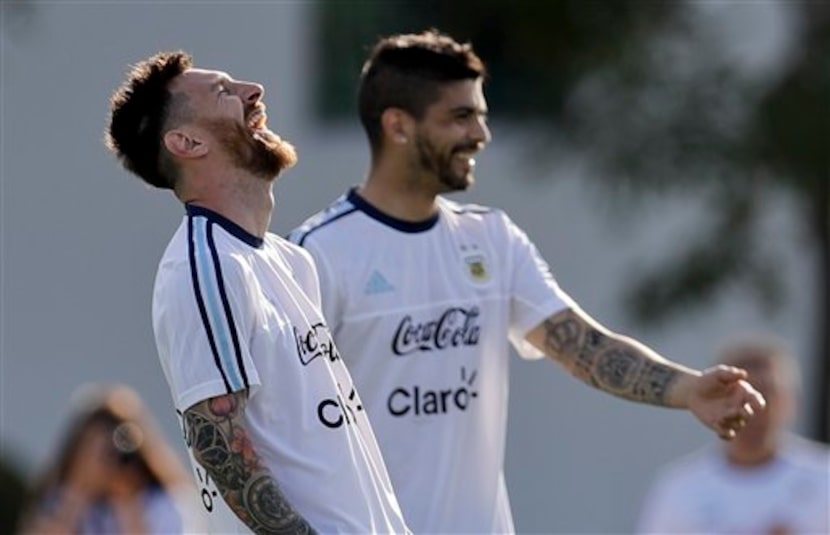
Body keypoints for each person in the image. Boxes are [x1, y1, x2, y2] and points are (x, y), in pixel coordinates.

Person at [288, 29, 767, 534]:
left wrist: (687, 388)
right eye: (460, 116)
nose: (480, 134)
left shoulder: (491, 238)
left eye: (482, 115)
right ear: (398, 126)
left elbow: (579, 343)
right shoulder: (318, 252)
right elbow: (286, 420)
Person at [105, 51, 409, 534]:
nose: (253, 90)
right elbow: (218, 444)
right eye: (224, 92)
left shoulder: (287, 261)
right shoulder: (204, 265)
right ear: (187, 141)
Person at [637, 336, 829, 534]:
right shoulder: (678, 488)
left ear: (791, 401)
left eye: (767, 393)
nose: (754, 406)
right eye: (739, 395)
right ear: (714, 401)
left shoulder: (826, 477)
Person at [17, 383, 199, 534]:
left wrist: (128, 500)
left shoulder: (166, 503)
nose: (105, 463)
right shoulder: (61, 502)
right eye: (92, 451)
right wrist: (78, 492)